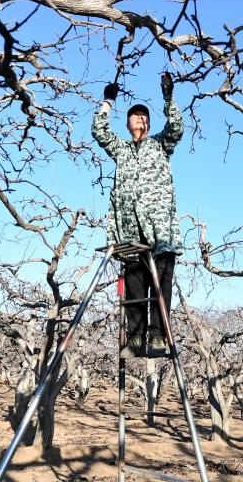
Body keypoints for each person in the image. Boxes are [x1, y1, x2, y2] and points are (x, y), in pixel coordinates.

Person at [92, 72, 183, 358]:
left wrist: (168, 96)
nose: (141, 119)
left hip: (160, 230)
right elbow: (99, 131)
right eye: (135, 116)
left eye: (145, 116)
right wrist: (108, 102)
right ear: (128, 123)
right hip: (130, 230)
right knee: (134, 286)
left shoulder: (160, 144)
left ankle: (157, 336)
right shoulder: (121, 149)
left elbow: (177, 128)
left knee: (160, 286)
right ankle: (134, 338)